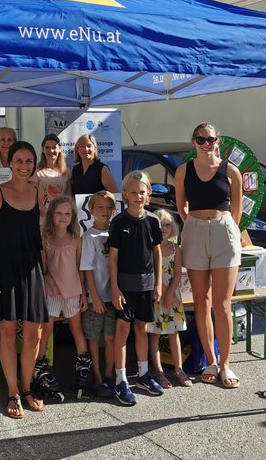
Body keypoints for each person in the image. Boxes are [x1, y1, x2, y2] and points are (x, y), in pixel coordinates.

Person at [0, 141, 48, 419]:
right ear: (9, 164)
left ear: (34, 164)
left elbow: (40, 233)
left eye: (29, 161)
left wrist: (46, 271)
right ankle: (13, 392)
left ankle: (27, 386)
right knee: (8, 331)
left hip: (32, 266)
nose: (24, 166)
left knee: (33, 333)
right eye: (18, 161)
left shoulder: (38, 190)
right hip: (4, 267)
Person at [174, 122, 243, 389]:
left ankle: (226, 363)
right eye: (200, 139)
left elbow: (236, 209)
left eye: (210, 139)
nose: (205, 143)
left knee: (222, 303)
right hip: (194, 230)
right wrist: (193, 224)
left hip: (224, 231)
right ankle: (211, 360)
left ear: (218, 140)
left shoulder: (231, 171)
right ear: (193, 142)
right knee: (200, 301)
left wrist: (226, 227)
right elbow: (180, 204)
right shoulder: (183, 170)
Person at [108, 170, 163, 405]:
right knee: (122, 330)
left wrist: (158, 282)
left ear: (148, 194)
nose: (138, 196)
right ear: (125, 195)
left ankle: (142, 374)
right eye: (133, 193)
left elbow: (157, 252)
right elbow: (112, 258)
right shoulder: (118, 222)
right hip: (125, 286)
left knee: (142, 328)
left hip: (147, 285)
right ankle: (121, 380)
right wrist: (115, 289)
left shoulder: (153, 221)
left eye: (142, 192)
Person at [34, 196, 91, 400]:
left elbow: (79, 267)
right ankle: (40, 364)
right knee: (46, 329)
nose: (62, 217)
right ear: (51, 215)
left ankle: (83, 364)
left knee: (76, 328)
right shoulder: (46, 239)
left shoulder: (76, 239)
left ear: (73, 216)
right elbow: (44, 268)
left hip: (73, 291)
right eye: (58, 213)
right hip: (51, 290)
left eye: (67, 213)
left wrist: (83, 293)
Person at [146, 209, 192, 388]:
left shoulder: (175, 248)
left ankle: (179, 369)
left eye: (167, 225)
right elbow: (152, 272)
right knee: (155, 333)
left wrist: (171, 293)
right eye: (160, 225)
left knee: (174, 333)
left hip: (173, 295)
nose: (164, 228)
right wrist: (164, 293)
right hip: (156, 293)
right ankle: (158, 370)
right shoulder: (150, 247)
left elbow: (178, 274)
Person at [80, 190, 118, 397]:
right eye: (100, 207)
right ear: (91, 210)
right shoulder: (89, 236)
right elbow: (86, 268)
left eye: (108, 208)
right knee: (93, 338)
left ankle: (109, 373)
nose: (104, 211)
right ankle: (97, 377)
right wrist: (94, 296)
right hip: (95, 298)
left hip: (113, 297)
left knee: (110, 337)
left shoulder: (116, 233)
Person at [35, 133, 70, 214]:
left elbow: (68, 197)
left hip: (62, 217)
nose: (51, 151)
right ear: (43, 150)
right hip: (44, 217)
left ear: (60, 149)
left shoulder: (66, 171)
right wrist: (49, 216)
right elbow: (37, 201)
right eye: (47, 148)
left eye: (54, 147)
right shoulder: (37, 171)